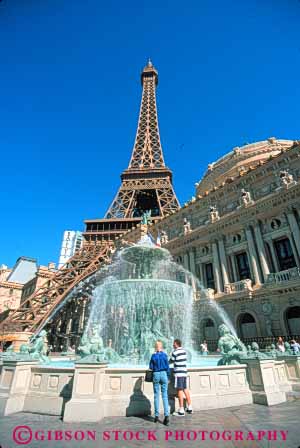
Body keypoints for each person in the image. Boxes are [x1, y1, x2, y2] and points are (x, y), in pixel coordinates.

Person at [149, 340, 170, 425]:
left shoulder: (153, 356)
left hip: (156, 374)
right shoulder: (165, 355)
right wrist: (168, 377)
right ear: (161, 347)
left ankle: (156, 416)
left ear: (155, 347)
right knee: (165, 396)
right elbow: (168, 367)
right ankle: (166, 416)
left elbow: (150, 367)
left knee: (156, 395)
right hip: (164, 374)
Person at [170, 339, 192, 416]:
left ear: (176, 344)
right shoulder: (184, 351)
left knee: (179, 390)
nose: (173, 345)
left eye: (173, 344)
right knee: (185, 389)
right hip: (184, 373)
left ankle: (181, 410)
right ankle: (189, 407)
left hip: (178, 374)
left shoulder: (175, 352)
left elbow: (171, 361)